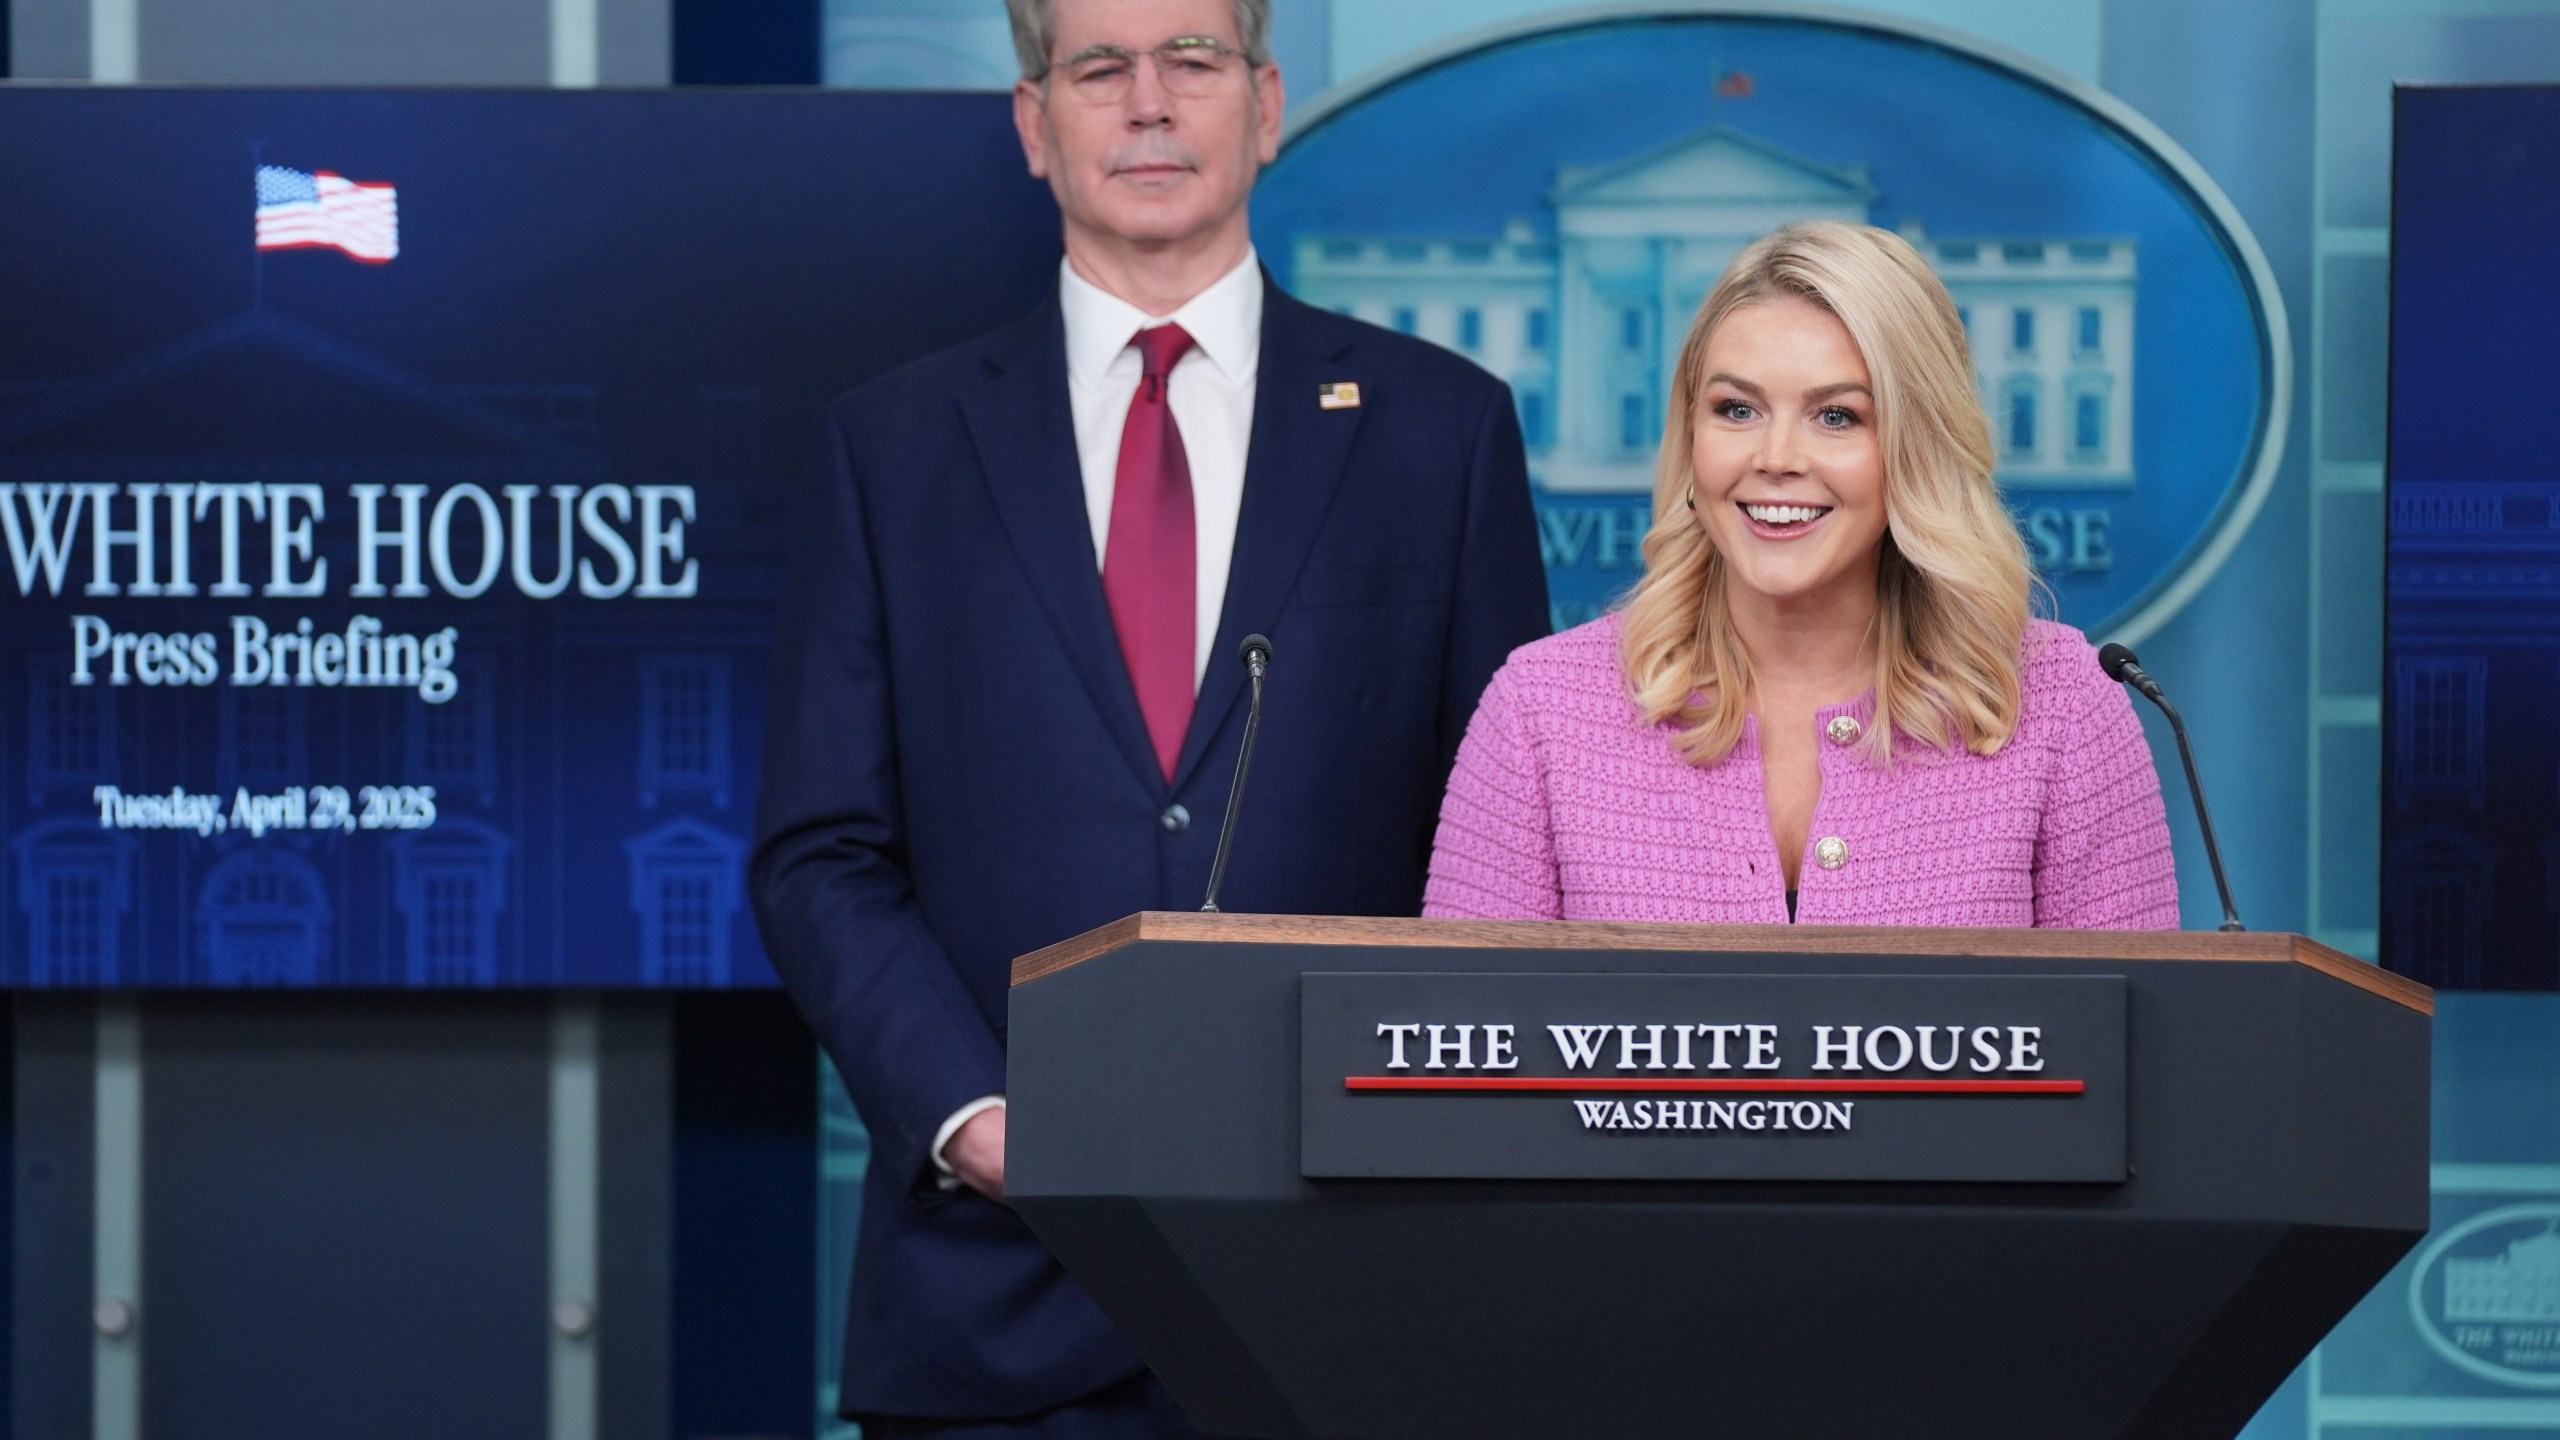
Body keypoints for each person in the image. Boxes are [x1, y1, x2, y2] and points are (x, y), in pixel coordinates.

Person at [749, 0, 1549, 1433]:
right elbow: (821, 854)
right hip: (993, 1304)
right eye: (1099, 68)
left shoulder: (1444, 430)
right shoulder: (890, 449)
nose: (1148, 103)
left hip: (1348, 1300)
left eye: (1191, 60)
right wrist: (975, 1118)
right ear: (1032, 122)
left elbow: (1505, 842)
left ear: (1265, 102)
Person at [1423, 221, 2177, 928]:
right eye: (1737, 409)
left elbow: (2147, 1049)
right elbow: (1452, 1050)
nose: (1776, 457)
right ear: (1692, 438)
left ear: (1918, 448)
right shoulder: (1539, 711)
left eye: (1838, 416)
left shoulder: (2066, 706)